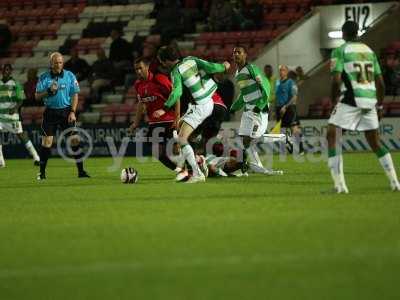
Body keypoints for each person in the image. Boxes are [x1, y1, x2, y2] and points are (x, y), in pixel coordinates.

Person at [328, 21, 400, 193]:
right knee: (375, 142)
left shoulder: (340, 51)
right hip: (370, 100)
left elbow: (336, 79)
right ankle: (395, 183)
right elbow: (381, 83)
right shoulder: (369, 51)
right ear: (357, 33)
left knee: (332, 136)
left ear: (344, 34)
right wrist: (380, 105)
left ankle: (340, 186)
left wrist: (333, 100)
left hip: (351, 99)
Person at [155, 46, 230, 183]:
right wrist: (223, 67)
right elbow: (211, 67)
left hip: (199, 106)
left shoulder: (175, 72)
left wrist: (164, 108)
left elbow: (177, 92)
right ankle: (198, 161)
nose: (162, 65)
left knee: (182, 139)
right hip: (208, 103)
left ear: (166, 61)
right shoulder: (191, 59)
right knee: (181, 131)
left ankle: (197, 173)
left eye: (162, 61)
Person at [35, 52, 90, 180]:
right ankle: (41, 173)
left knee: (75, 140)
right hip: (50, 112)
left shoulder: (70, 75)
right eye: (56, 62)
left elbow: (75, 95)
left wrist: (72, 111)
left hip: (66, 112)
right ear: (51, 63)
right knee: (47, 142)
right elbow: (37, 96)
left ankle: (81, 171)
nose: (58, 65)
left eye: (60, 62)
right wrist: (48, 91)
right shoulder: (44, 77)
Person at [230, 46, 277, 175]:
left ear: (245, 55)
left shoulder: (252, 69)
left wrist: (260, 106)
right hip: (247, 110)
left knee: (252, 139)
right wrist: (234, 107)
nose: (236, 54)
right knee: (245, 140)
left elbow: (266, 86)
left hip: (258, 109)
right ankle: (257, 167)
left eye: (239, 52)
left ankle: (281, 137)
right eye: (234, 53)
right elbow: (243, 94)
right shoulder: (238, 74)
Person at [129, 56, 180, 172]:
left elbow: (176, 96)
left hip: (169, 120)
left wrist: (177, 118)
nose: (138, 71)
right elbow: (141, 104)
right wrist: (135, 123)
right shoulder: (138, 85)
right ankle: (179, 170)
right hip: (154, 123)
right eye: (136, 69)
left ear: (147, 67)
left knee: (177, 150)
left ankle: (198, 162)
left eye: (140, 68)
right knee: (157, 152)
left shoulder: (160, 79)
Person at [0, 64, 40, 167]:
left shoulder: (15, 84)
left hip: (12, 116)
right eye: (4, 69)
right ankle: (1, 162)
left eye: (8, 70)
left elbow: (21, 99)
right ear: (2, 71)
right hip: (0, 115)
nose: (6, 71)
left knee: (21, 135)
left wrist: (14, 108)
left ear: (11, 71)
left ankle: (36, 157)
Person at [275, 65, 305, 155]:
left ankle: (301, 149)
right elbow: (277, 96)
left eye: (283, 70)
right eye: (280, 70)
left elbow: (294, 97)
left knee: (294, 129)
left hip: (289, 108)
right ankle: (290, 148)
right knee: (282, 131)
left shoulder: (291, 82)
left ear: (287, 72)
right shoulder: (277, 82)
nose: (281, 72)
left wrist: (285, 107)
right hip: (279, 109)